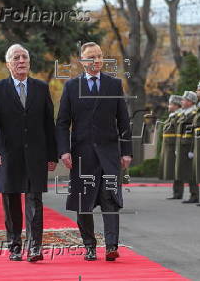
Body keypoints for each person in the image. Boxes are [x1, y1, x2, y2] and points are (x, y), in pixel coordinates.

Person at [55, 42, 132, 262]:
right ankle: (89, 245)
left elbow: (124, 121)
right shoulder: (71, 87)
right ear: (82, 61)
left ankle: (111, 246)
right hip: (82, 155)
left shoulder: (114, 85)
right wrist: (64, 151)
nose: (96, 61)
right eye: (91, 57)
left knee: (110, 199)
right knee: (84, 202)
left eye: (99, 56)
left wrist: (126, 151)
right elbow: (62, 123)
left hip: (109, 153)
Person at [0, 44, 58, 262]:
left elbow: (48, 123)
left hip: (36, 154)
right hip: (8, 155)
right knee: (12, 202)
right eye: (16, 57)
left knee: (35, 201)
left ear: (29, 62)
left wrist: (52, 154)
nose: (21, 61)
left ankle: (35, 247)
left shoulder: (41, 88)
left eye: (24, 57)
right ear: (8, 64)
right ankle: (14, 246)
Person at [175, 91, 199, 203]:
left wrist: (192, 149)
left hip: (189, 145)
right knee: (185, 170)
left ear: (190, 102)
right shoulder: (185, 113)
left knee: (191, 171)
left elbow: (195, 133)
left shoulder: (193, 113)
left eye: (184, 100)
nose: (181, 102)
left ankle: (194, 195)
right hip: (183, 145)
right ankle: (190, 194)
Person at [159, 95, 184, 199]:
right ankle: (176, 192)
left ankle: (178, 193)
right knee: (174, 170)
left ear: (176, 105)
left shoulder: (179, 116)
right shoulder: (173, 116)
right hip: (169, 146)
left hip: (174, 146)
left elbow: (179, 132)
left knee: (177, 169)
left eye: (171, 104)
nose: (168, 106)